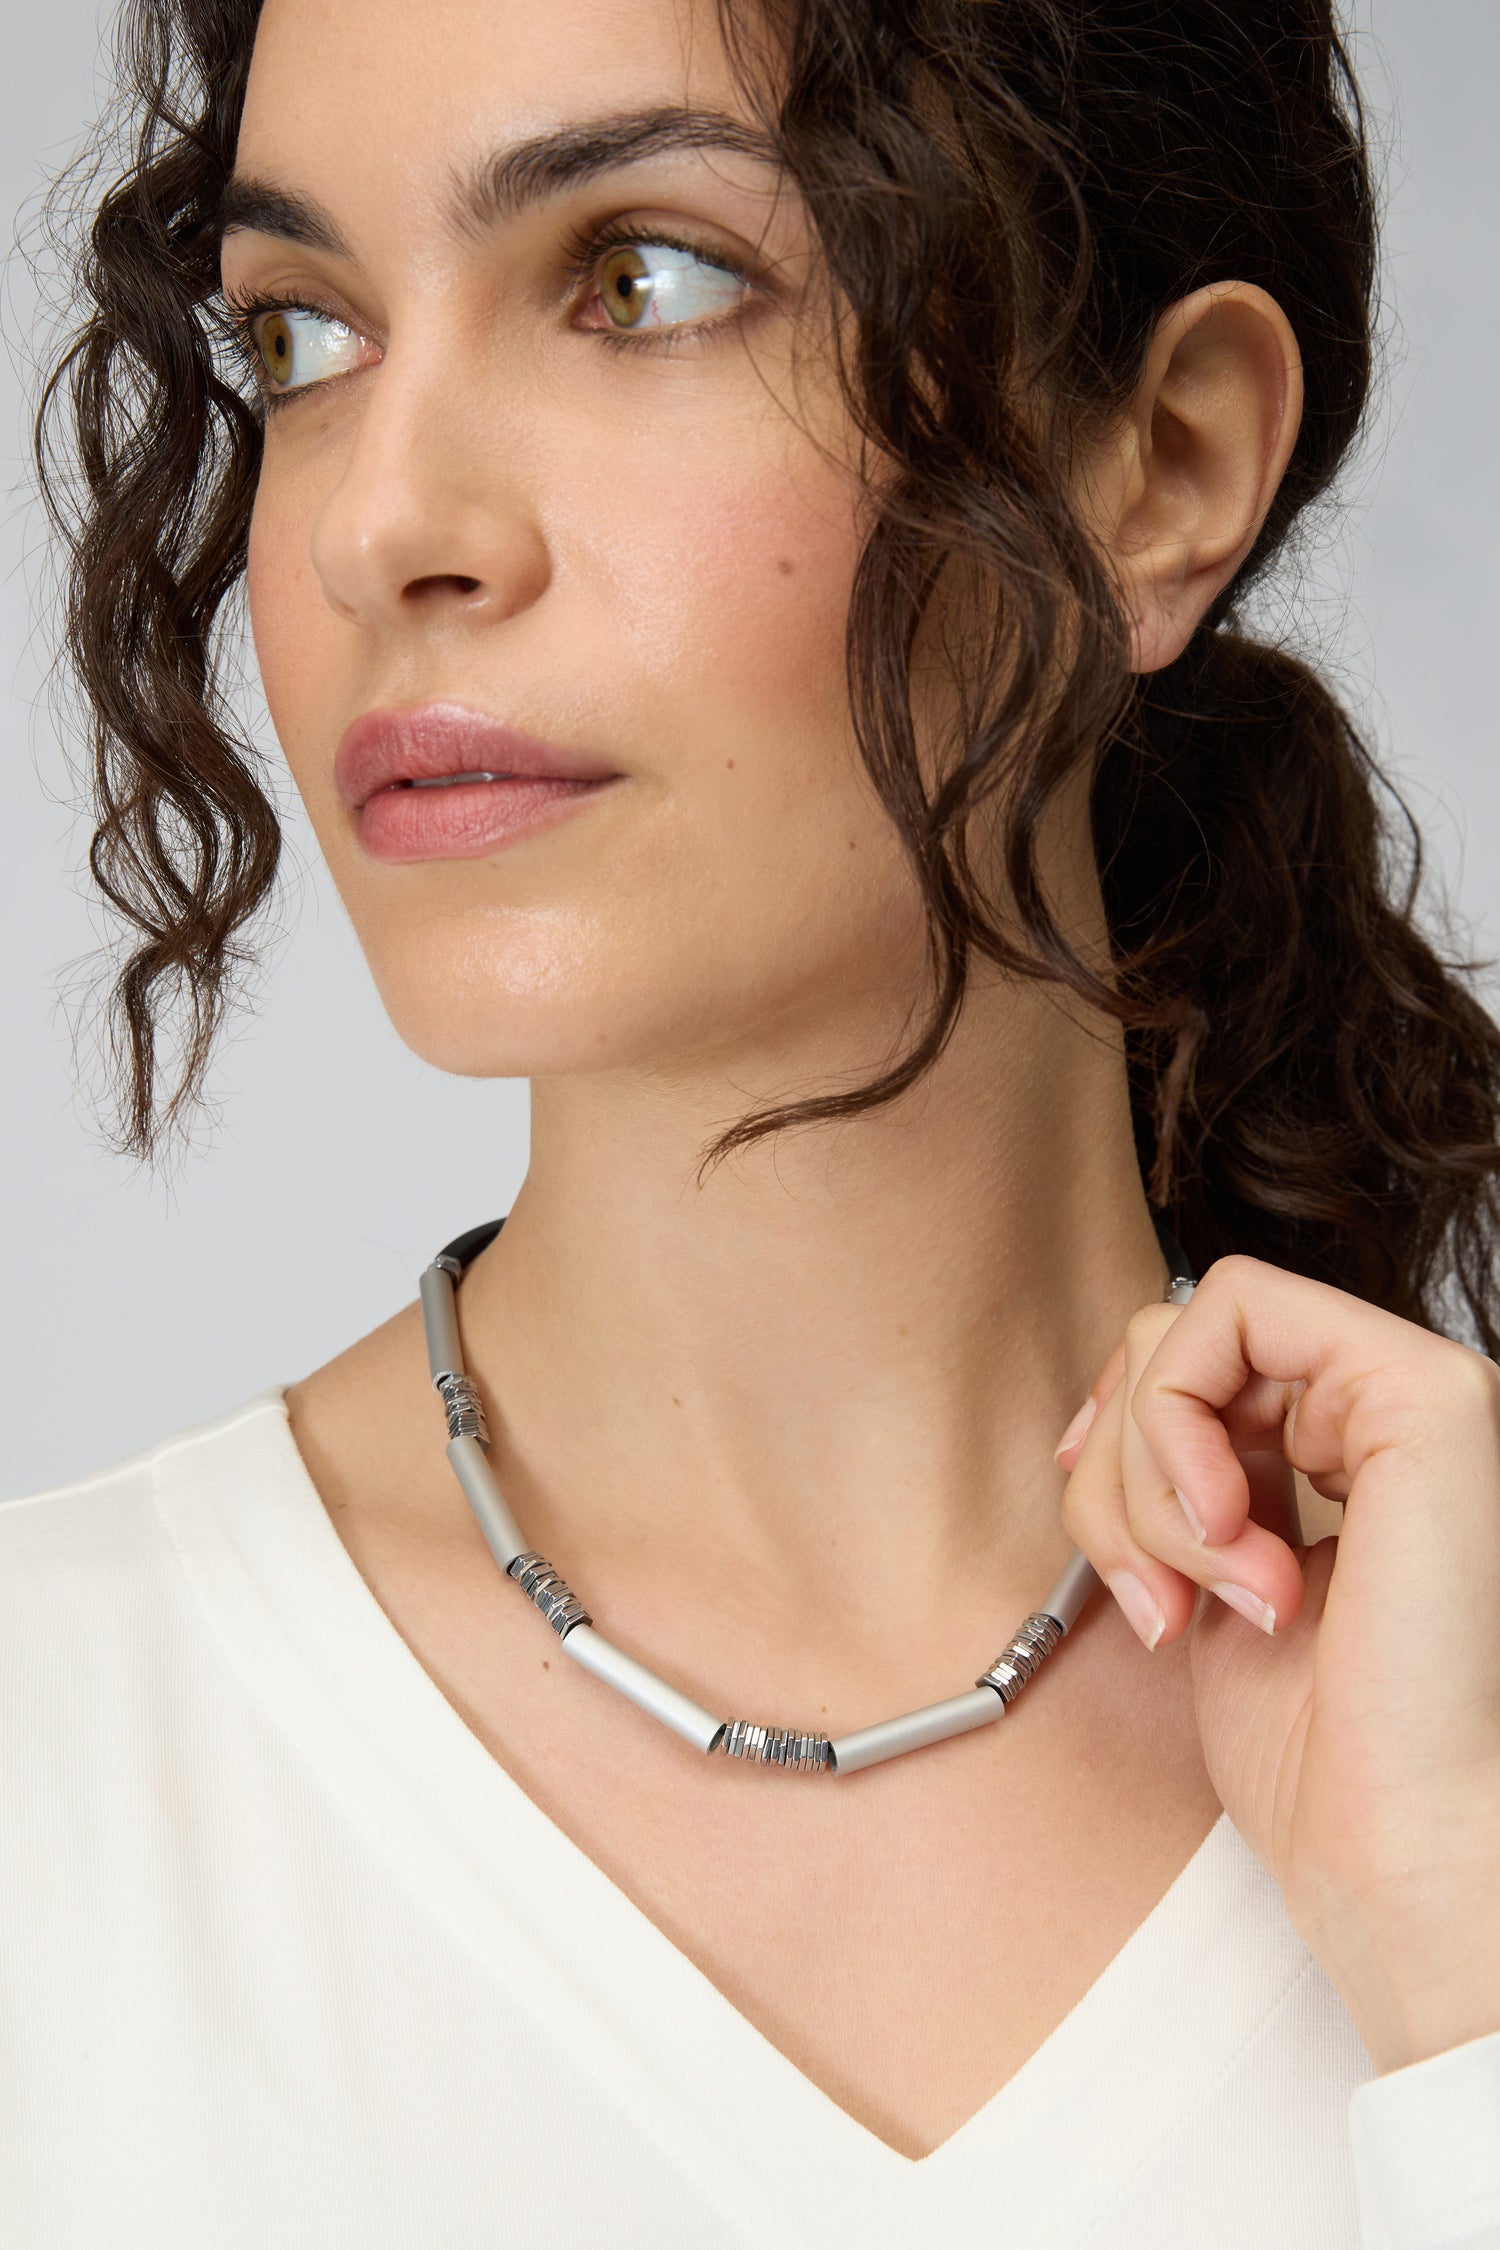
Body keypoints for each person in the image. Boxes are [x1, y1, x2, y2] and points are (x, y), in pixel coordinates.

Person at [7, 0, 1500, 2241]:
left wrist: (1462, 1971)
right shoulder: (56, 1772)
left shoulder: (1459, 1780)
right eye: (302, 333)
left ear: (1167, 465)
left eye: (641, 279)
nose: (376, 528)